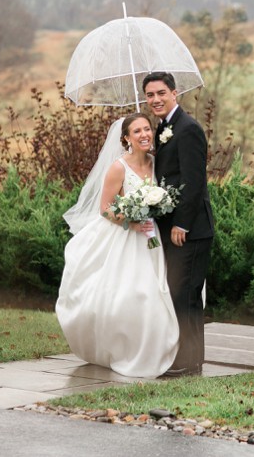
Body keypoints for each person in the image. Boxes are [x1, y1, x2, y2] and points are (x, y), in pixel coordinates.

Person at [56, 113, 179, 378]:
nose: (144, 134)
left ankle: (154, 348)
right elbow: (105, 209)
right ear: (126, 139)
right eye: (137, 131)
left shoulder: (158, 164)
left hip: (151, 238)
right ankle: (123, 348)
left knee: (154, 292)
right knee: (129, 295)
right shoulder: (118, 168)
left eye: (147, 129)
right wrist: (130, 222)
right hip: (125, 238)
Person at [143, 71, 215, 377]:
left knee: (186, 296)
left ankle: (189, 362)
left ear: (175, 94)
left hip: (191, 231)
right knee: (178, 294)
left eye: (161, 93)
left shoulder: (188, 129)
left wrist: (182, 225)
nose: (155, 99)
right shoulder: (163, 128)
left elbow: (194, 182)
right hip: (171, 228)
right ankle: (188, 358)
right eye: (150, 95)